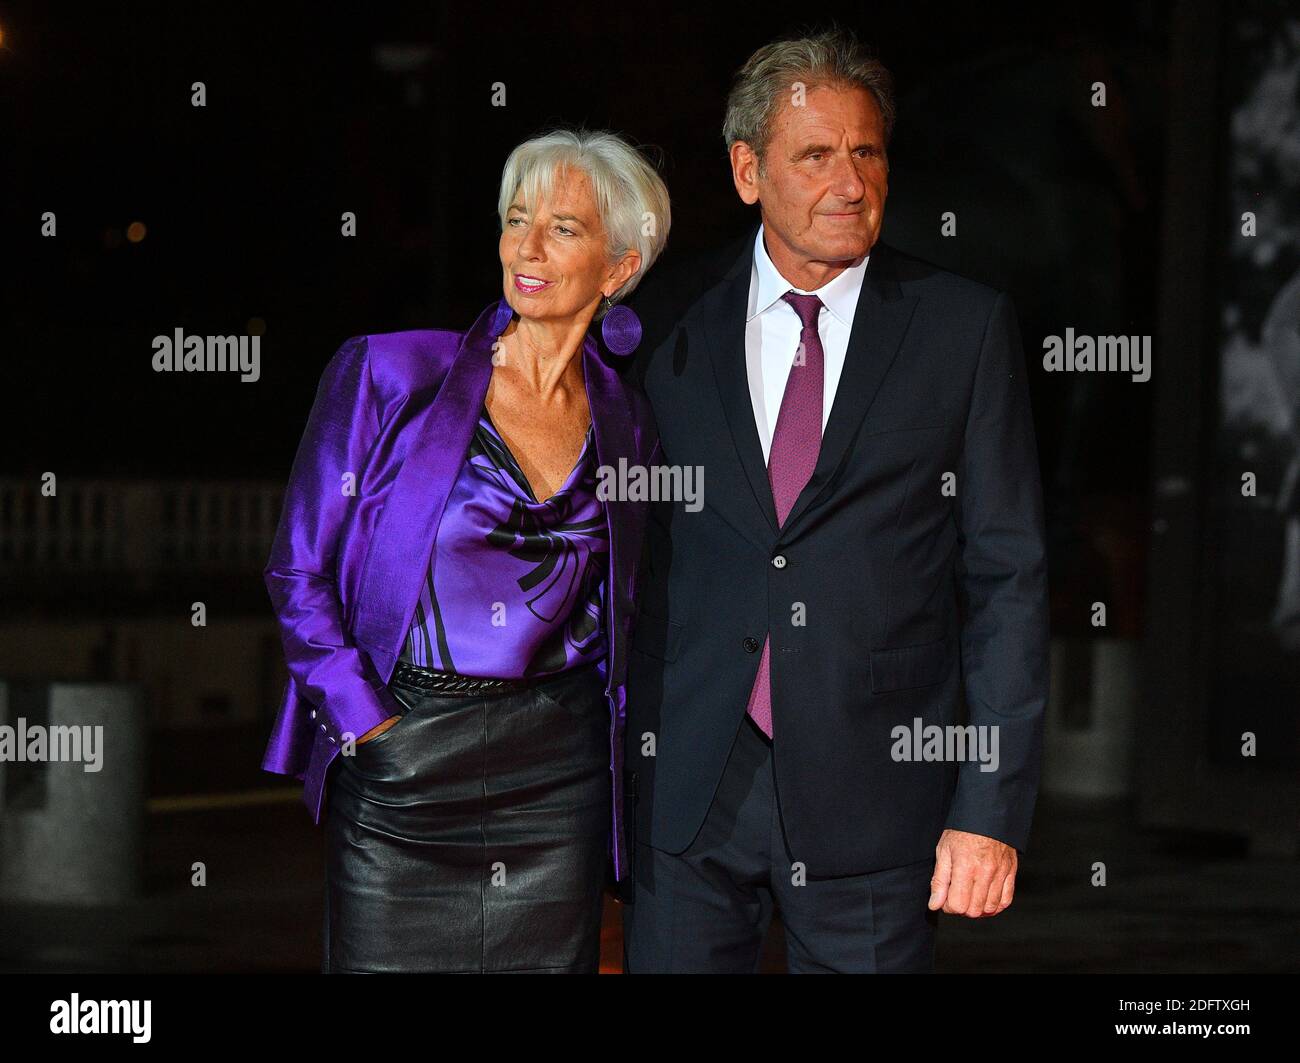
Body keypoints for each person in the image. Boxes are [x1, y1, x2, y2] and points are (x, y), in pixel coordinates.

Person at [620, 28, 1049, 973]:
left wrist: (989, 811)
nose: (849, 183)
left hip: (880, 809)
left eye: (866, 151)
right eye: (815, 155)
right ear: (747, 170)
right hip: (688, 794)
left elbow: (1008, 581)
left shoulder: (963, 331)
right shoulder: (661, 325)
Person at [260, 127, 669, 973]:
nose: (527, 246)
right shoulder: (389, 374)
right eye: (516, 219)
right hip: (405, 762)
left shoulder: (630, 421)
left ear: (619, 267)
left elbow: (626, 599)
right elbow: (296, 568)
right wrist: (362, 720)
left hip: (558, 780)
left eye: (564, 228)